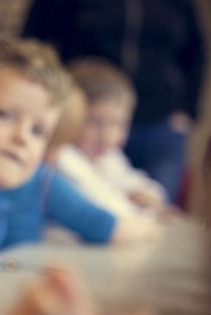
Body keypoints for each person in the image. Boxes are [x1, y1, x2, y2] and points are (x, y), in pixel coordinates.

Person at [22, 0, 206, 205]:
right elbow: (35, 46)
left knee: (149, 215)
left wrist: (186, 111)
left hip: (159, 126)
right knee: (86, 205)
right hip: (84, 122)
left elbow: (195, 51)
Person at [0, 38, 158, 268]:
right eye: (5, 115)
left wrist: (152, 224)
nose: (22, 137)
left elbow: (105, 226)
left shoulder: (43, 183)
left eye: (38, 131)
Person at [55, 58, 170, 216]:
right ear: (71, 117)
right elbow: (106, 208)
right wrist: (137, 204)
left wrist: (145, 196)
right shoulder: (63, 157)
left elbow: (143, 185)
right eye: (95, 122)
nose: (107, 136)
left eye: (119, 124)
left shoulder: (109, 157)